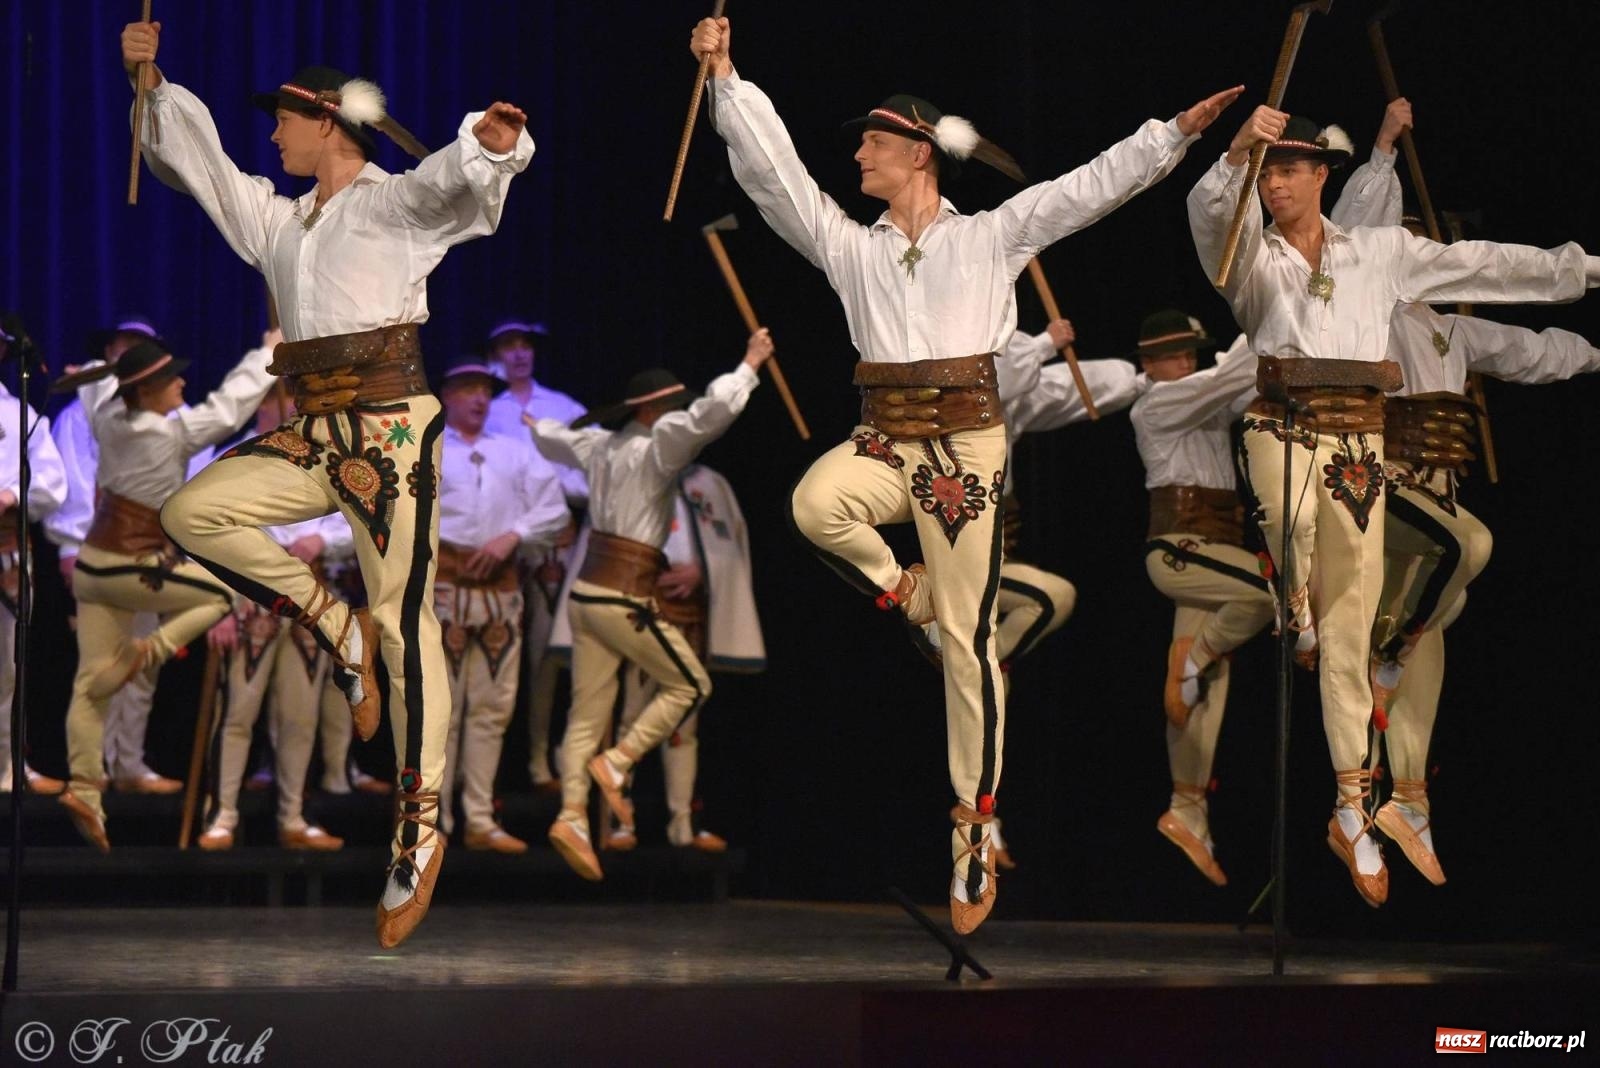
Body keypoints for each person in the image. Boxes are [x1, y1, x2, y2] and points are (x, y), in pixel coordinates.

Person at [692, 13, 1243, 932]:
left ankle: (974, 828)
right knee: (814, 502)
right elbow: (773, 173)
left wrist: (1173, 135)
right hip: (884, 440)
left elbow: (1089, 190)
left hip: (963, 452)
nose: (858, 154)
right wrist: (726, 78)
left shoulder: (989, 235)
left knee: (970, 644)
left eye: (873, 141)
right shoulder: (852, 245)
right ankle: (903, 592)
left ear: (919, 154)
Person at [120, 18, 535, 947]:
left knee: (404, 618)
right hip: (314, 434)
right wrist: (152, 87)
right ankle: (330, 622)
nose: (273, 136)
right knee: (194, 508)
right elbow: (211, 169)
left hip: (391, 437)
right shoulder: (282, 219)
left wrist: (490, 147)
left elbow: (450, 184)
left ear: (328, 123)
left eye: (286, 122)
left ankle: (419, 828)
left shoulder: (390, 204)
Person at [1188, 98, 1600, 907]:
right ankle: (1290, 598)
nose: (1276, 185)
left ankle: (1353, 808)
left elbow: (1488, 265)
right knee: (1293, 520)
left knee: (1351, 629)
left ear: (1318, 175)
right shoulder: (1249, 255)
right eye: (1268, 174)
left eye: (1290, 170)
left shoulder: (1379, 253)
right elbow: (1210, 217)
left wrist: (1584, 269)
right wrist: (1235, 152)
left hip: (1358, 448)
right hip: (1282, 427)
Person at [527, 330, 770, 880]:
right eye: (669, 406)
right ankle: (618, 762)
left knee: (586, 716)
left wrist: (534, 426)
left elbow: (553, 439)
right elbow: (710, 415)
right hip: (622, 597)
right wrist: (749, 364)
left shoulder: (598, 447)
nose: (675, 413)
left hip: (586, 597)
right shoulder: (659, 447)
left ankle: (571, 814)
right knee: (691, 684)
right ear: (655, 409)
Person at [59, 336, 275, 849]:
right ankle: (147, 652)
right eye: (170, 379)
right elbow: (231, 406)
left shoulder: (106, 415)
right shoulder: (170, 435)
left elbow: (95, 383)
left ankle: (84, 789)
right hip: (131, 567)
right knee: (228, 593)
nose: (181, 383)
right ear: (148, 391)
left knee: (91, 685)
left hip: (93, 566)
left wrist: (94, 368)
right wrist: (267, 353)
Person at [1127, 313, 1270, 886]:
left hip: (1214, 556)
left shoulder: (1201, 403)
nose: (1186, 362)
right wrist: (1273, 319)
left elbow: (1242, 383)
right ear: (1150, 364)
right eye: (1175, 356)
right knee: (1269, 594)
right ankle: (1193, 655)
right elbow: (1227, 378)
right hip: (1181, 552)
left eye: (1191, 353)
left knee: (1202, 690)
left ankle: (1188, 807)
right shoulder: (1157, 405)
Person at [47, 313, 213, 795]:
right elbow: (76, 486)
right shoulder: (82, 415)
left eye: (137, 349)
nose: (125, 357)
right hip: (98, 549)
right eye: (119, 349)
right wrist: (70, 545)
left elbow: (196, 479)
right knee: (97, 662)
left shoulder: (175, 418)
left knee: (141, 661)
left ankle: (129, 762)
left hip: (149, 553)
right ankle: (91, 767)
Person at [198, 388, 356, 852]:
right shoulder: (232, 457)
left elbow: (355, 518)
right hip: (253, 598)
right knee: (239, 711)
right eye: (279, 398)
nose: (290, 406)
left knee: (301, 714)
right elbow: (201, 527)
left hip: (310, 595)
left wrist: (323, 542)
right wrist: (220, 605)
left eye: (295, 396)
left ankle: (293, 814)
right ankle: (222, 813)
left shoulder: (327, 456)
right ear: (261, 403)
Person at [433, 356, 569, 853]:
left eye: (485, 390)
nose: (479, 398)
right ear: (447, 395)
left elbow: (553, 510)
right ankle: (434, 822)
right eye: (468, 388)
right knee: (440, 710)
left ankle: (480, 817)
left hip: (500, 593)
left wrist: (514, 535)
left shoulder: (516, 452)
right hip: (444, 588)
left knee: (490, 709)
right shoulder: (428, 450)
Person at [602, 462, 765, 854]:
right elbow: (610, 540)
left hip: (690, 612)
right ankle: (620, 821)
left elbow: (728, 543)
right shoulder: (632, 474)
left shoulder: (709, 482)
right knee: (632, 715)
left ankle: (682, 823)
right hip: (642, 608)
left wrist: (702, 571)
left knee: (683, 724)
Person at [479, 317, 588, 795]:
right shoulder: (488, 409)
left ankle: (542, 757)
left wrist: (553, 490)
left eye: (525, 345)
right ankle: (491, 768)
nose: (519, 353)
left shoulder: (563, 408)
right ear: (497, 355)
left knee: (546, 654)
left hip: (549, 545)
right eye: (509, 346)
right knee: (492, 654)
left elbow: (592, 473)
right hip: (498, 546)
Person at [0, 319, 69, 795]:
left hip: (7, 551)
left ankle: (7, 766)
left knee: (8, 666)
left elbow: (51, 486)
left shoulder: (20, 414)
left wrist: (9, 496)